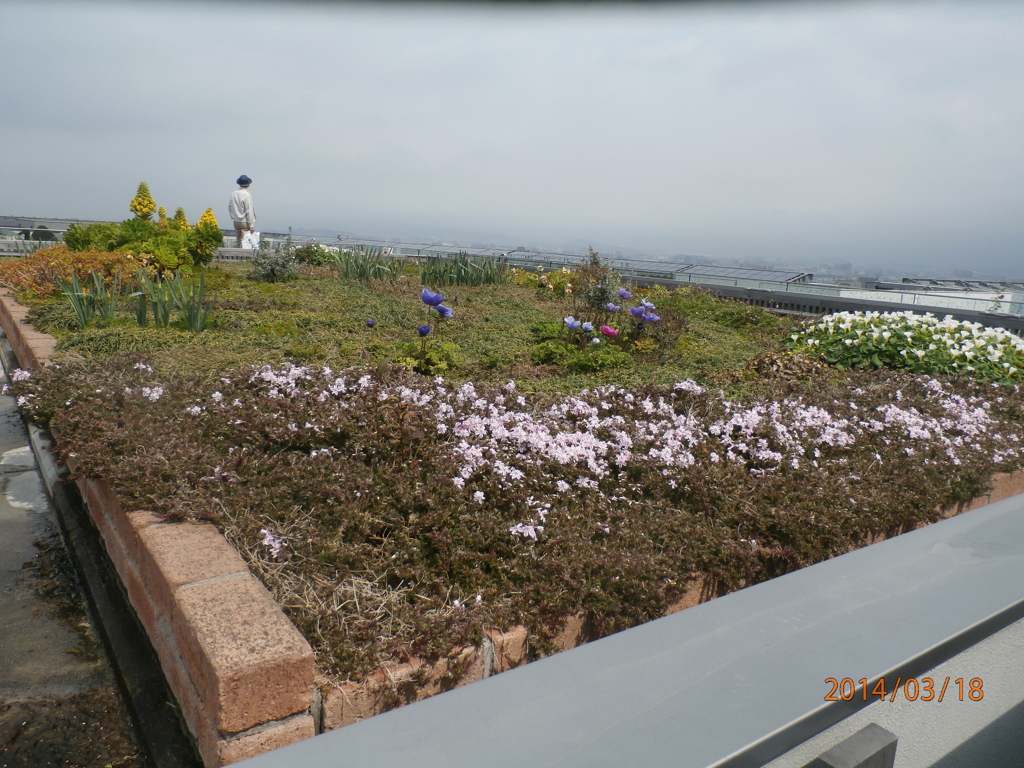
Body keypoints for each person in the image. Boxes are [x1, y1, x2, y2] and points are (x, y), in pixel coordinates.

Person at [229, 175, 256, 248]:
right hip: (244, 221)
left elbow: (230, 207)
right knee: (245, 242)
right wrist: (251, 225)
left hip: (236, 221)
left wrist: (233, 216)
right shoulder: (247, 195)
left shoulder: (234, 193)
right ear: (248, 184)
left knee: (238, 241)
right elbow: (249, 210)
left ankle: (237, 256)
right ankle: (243, 257)